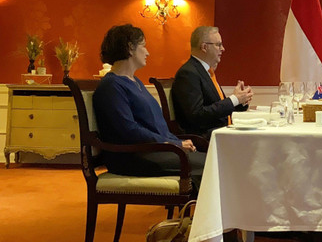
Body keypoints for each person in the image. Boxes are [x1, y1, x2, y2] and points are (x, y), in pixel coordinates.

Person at [93, 24, 205, 196]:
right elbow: (129, 130)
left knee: (212, 161)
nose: (147, 52)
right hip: (133, 157)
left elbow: (155, 124)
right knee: (211, 165)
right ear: (130, 48)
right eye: (143, 46)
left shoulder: (134, 81)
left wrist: (175, 141)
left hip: (153, 151)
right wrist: (174, 144)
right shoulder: (111, 86)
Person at [172, 26, 253, 139]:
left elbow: (216, 110)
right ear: (204, 47)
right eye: (218, 45)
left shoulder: (205, 71)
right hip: (204, 138)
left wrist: (240, 101)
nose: (223, 49)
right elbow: (197, 115)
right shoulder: (188, 73)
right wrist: (234, 99)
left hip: (219, 132)